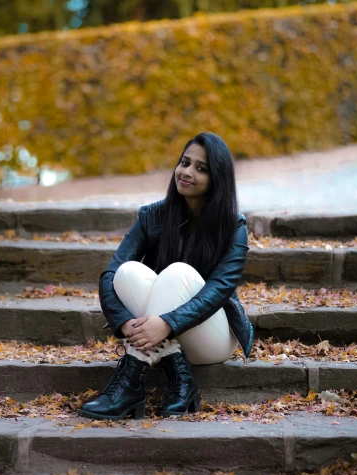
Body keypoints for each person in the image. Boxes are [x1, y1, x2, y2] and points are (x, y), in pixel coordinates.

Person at [79, 132, 254, 421]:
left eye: (201, 168)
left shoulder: (233, 225)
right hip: (163, 335)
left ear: (217, 179)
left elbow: (219, 290)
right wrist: (124, 323)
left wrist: (167, 323)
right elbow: (108, 275)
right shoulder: (152, 217)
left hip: (212, 338)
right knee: (126, 273)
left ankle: (131, 379)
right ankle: (180, 380)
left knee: (178, 272)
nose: (187, 172)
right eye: (185, 163)